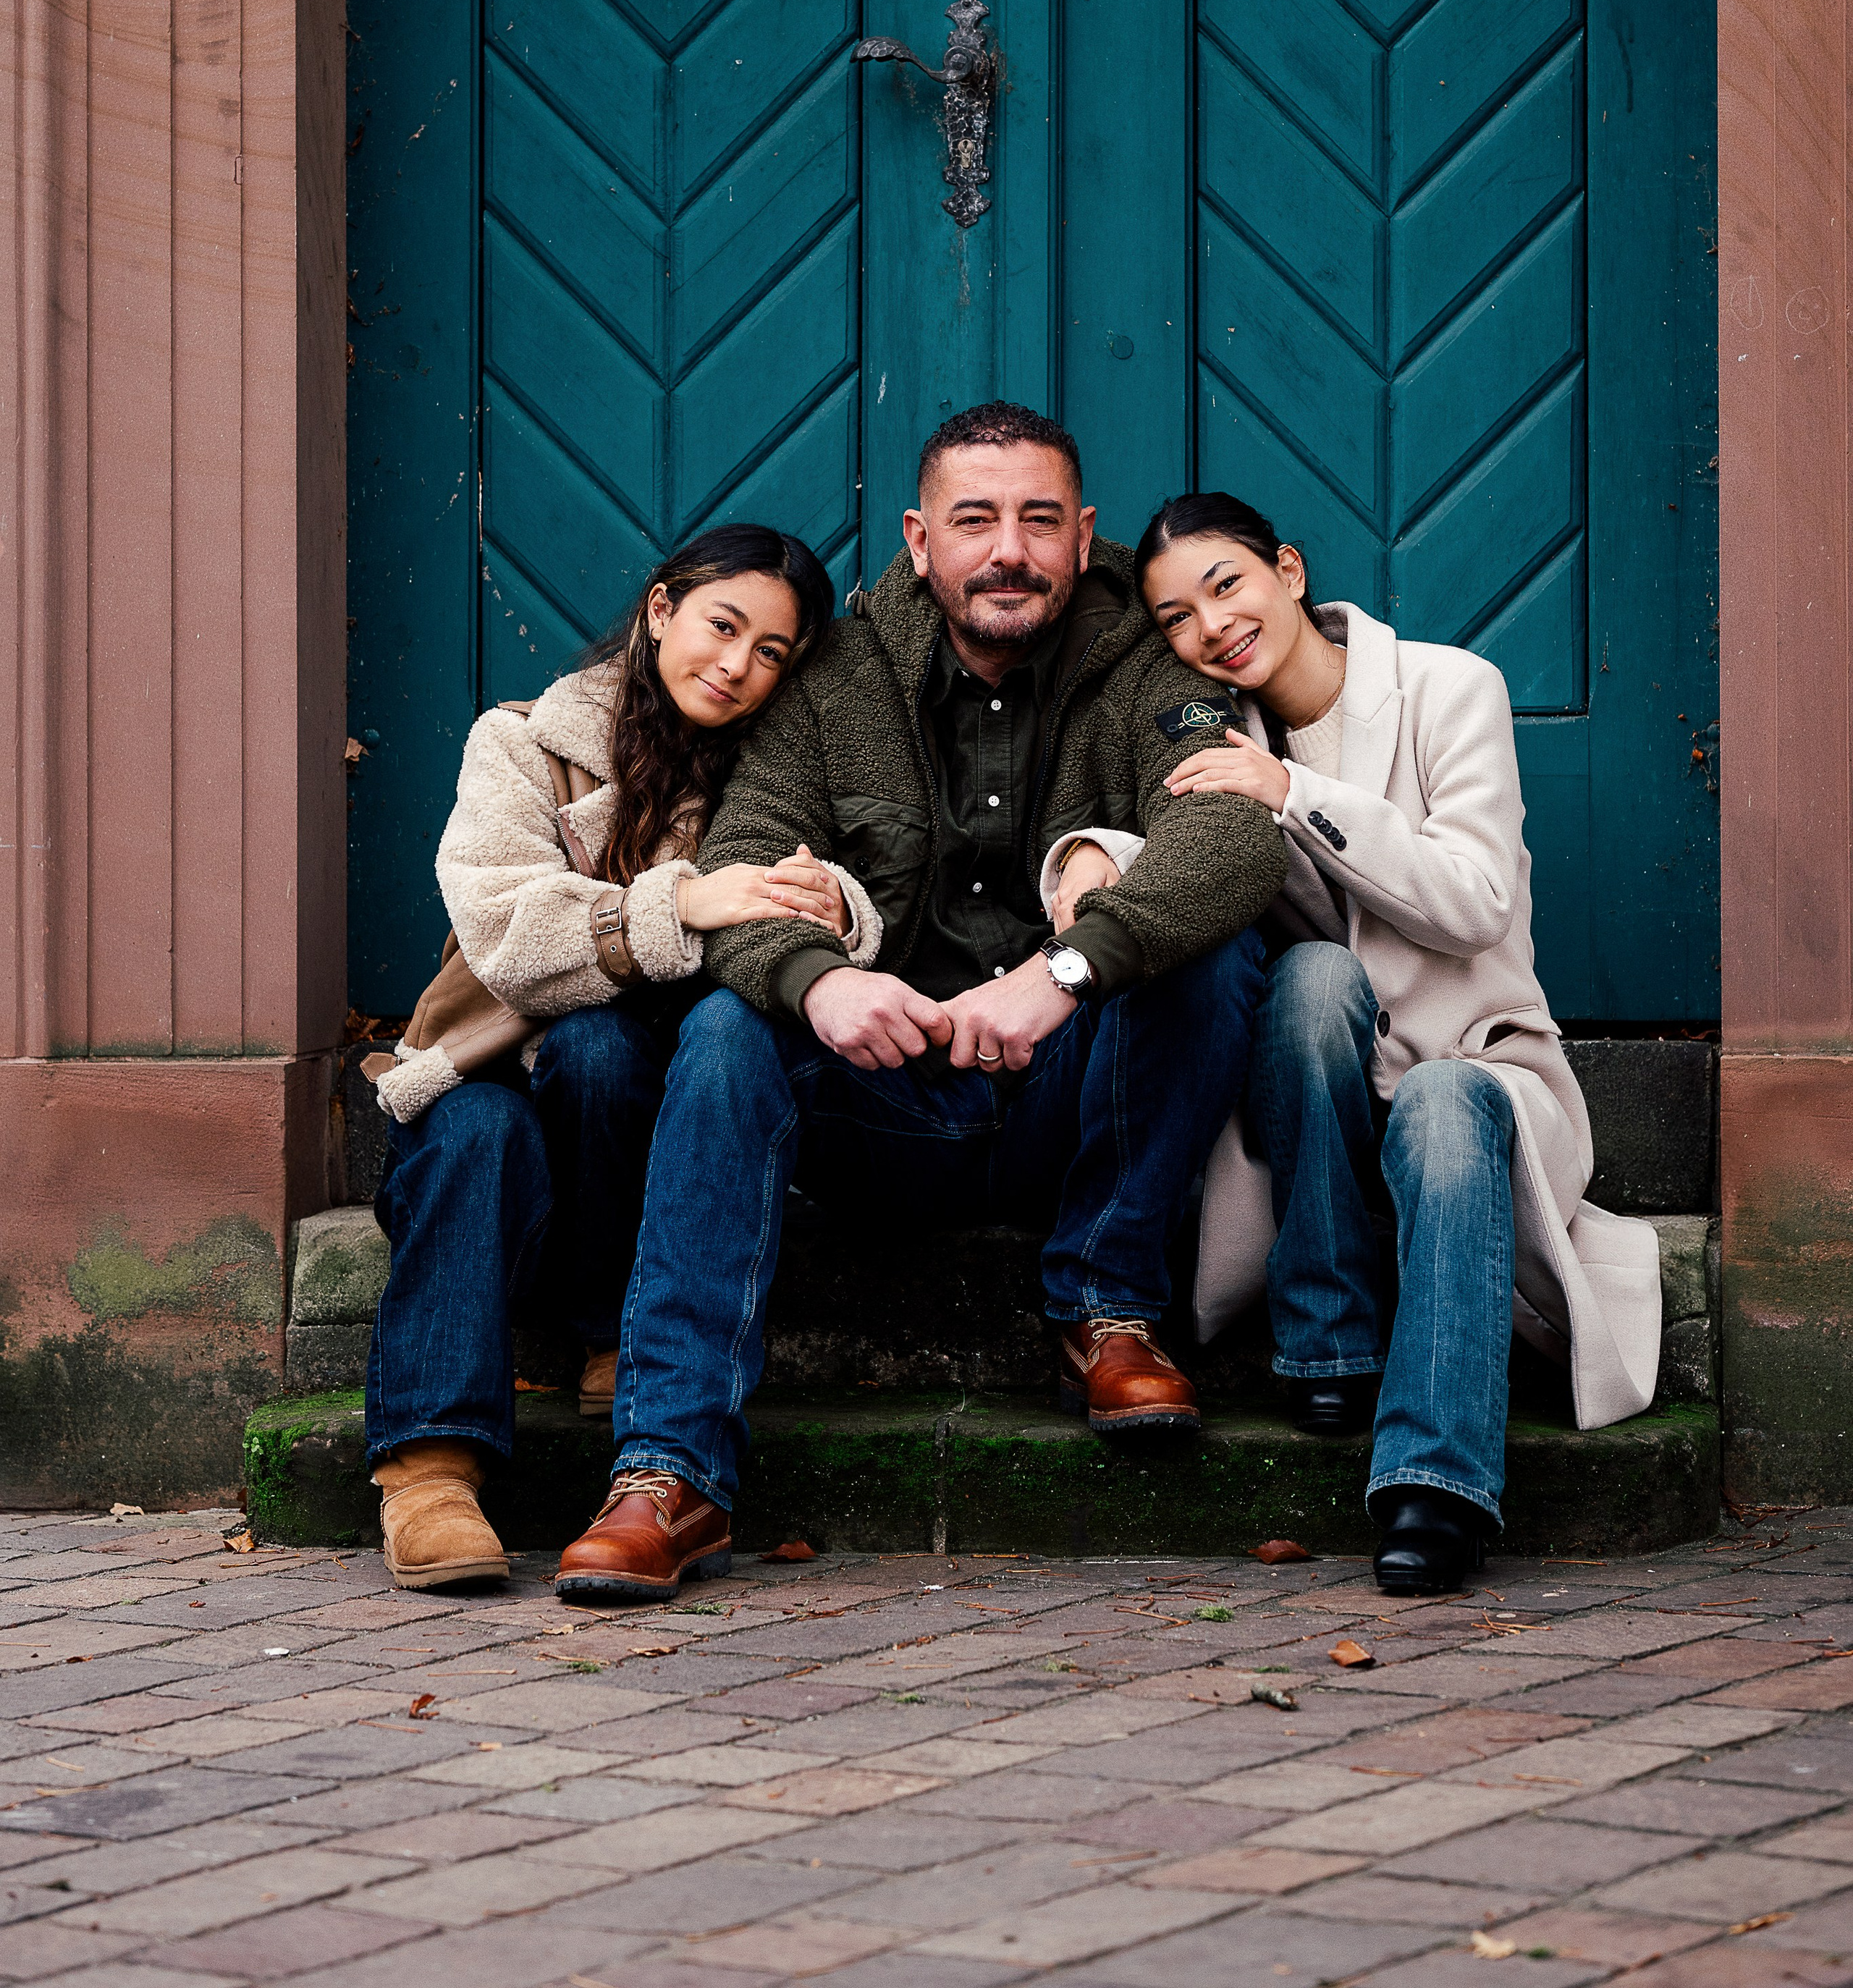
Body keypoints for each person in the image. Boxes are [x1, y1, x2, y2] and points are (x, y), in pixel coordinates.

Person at [552, 405, 1287, 1603]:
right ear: (919, 538)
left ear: (1082, 530)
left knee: (1215, 951)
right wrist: (819, 978)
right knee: (731, 1028)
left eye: (1041, 520)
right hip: (882, 1102)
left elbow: (1232, 839)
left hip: (1070, 1085)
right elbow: (743, 857)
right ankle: (670, 1470)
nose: (1011, 549)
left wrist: (1064, 973)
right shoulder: (835, 668)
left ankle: (1107, 1309)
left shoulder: (1150, 657)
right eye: (976, 520)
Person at [1054, 491, 1662, 1597]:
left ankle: (1437, 1481)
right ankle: (1328, 1340)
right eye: (1177, 616)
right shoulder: (1218, 733)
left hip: (1476, 1080)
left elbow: (1475, 901)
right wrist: (1091, 857)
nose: (1211, 627)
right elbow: (1171, 839)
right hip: (1318, 1102)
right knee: (1311, 977)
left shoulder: (1446, 686)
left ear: (1287, 568)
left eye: (1226, 584)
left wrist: (1299, 793)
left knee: (1439, 1095)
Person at [364, 524, 882, 1592]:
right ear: (660, 610)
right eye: (722, 625)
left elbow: (826, 897)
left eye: (773, 652)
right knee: (482, 1118)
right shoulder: (522, 741)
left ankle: (618, 1338)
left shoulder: (773, 770)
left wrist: (840, 909)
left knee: (610, 1051)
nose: (738, 665)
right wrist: (686, 899)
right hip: (496, 1089)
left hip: (641, 1143)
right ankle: (428, 1472)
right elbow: (506, 923)